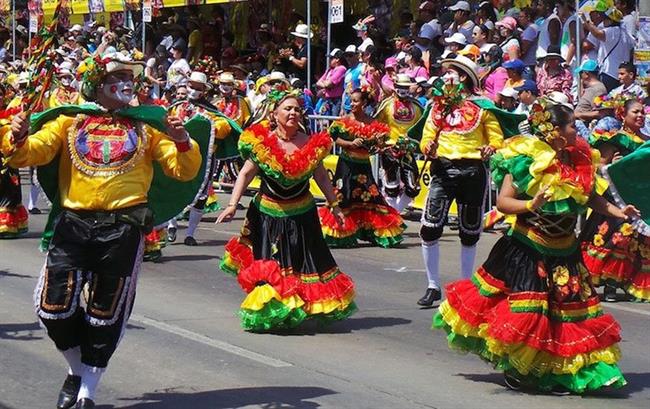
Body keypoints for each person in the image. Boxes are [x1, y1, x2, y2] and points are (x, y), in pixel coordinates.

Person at [1, 54, 202, 408]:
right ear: (96, 85)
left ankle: (87, 392)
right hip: (74, 225)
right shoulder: (69, 123)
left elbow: (182, 170)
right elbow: (30, 153)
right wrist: (17, 137)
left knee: (105, 311)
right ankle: (76, 369)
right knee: (53, 307)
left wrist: (182, 139)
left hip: (122, 227)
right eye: (118, 76)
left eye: (130, 76)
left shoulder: (147, 128)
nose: (126, 82)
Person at [434, 99, 633, 394]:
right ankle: (521, 369)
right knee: (532, 315)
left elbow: (591, 197)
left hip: (566, 250)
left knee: (565, 315)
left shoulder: (579, 158)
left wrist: (619, 211)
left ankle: (557, 371)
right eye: (570, 125)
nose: (575, 129)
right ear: (554, 131)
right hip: (529, 248)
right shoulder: (524, 157)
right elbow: (503, 202)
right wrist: (532, 203)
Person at [217, 90, 357, 331]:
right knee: (272, 264)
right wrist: (232, 204)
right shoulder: (261, 143)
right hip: (267, 215)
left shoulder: (312, 143)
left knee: (303, 262)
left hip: (302, 214)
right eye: (287, 109)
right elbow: (246, 173)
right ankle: (272, 310)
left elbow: (322, 177)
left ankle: (296, 306)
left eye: (297, 109)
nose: (293, 113)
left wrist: (334, 206)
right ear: (275, 114)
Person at [416, 55, 505, 306]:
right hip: (444, 169)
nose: (445, 77)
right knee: (430, 227)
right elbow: (426, 138)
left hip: (473, 170)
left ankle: (465, 287)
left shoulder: (483, 107)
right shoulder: (437, 106)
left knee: (469, 231)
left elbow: (496, 139)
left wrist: (491, 148)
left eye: (450, 72)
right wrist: (427, 147)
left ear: (462, 77)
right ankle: (433, 285)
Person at [581, 99, 650, 302]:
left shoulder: (646, 141)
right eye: (635, 112)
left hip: (640, 200)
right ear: (623, 115)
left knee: (639, 244)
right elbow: (599, 167)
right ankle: (610, 284)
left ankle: (630, 283)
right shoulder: (615, 140)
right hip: (616, 199)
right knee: (617, 239)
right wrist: (614, 166)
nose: (640, 116)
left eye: (642, 113)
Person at [318, 89, 405, 248]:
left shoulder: (373, 123)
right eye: (351, 100)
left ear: (364, 103)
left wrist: (377, 143)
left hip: (364, 166)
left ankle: (374, 232)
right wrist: (349, 144)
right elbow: (334, 137)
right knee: (343, 197)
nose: (352, 104)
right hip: (346, 166)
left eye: (356, 101)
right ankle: (340, 233)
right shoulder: (343, 121)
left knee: (371, 196)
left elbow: (379, 145)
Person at [167, 71, 239, 246]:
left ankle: (190, 234)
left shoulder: (210, 109)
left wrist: (209, 125)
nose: (193, 90)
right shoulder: (177, 106)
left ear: (203, 91)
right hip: (178, 153)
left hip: (204, 157)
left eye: (198, 88)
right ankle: (171, 225)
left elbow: (224, 127)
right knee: (173, 188)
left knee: (200, 194)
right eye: (191, 86)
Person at [373, 74, 424, 213]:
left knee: (413, 186)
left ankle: (396, 211)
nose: (403, 90)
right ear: (395, 87)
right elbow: (376, 123)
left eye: (406, 87)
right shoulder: (386, 104)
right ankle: (393, 215)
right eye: (400, 87)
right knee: (391, 186)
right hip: (390, 148)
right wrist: (379, 141)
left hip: (408, 149)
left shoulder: (417, 106)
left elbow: (423, 127)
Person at [582, 8, 634, 92]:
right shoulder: (626, 34)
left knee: (606, 100)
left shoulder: (611, 31)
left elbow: (597, 34)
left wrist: (587, 22)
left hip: (609, 72)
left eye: (605, 19)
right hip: (622, 73)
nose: (603, 22)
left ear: (610, 21)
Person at [0, 86, 27, 238]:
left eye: (0, 95)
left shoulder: (10, 115)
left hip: (8, 160)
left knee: (9, 190)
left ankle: (7, 225)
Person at [315, 48, 347, 116]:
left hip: (336, 100)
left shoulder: (341, 69)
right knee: (325, 120)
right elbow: (318, 82)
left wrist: (324, 83)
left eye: (331, 58)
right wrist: (325, 83)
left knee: (334, 120)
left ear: (337, 59)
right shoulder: (329, 70)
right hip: (327, 99)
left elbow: (329, 84)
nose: (329, 60)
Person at [342, 45, 363, 114]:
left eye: (350, 55)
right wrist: (342, 108)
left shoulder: (362, 68)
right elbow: (345, 91)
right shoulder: (347, 71)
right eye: (346, 55)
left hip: (357, 107)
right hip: (346, 107)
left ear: (357, 55)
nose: (348, 58)